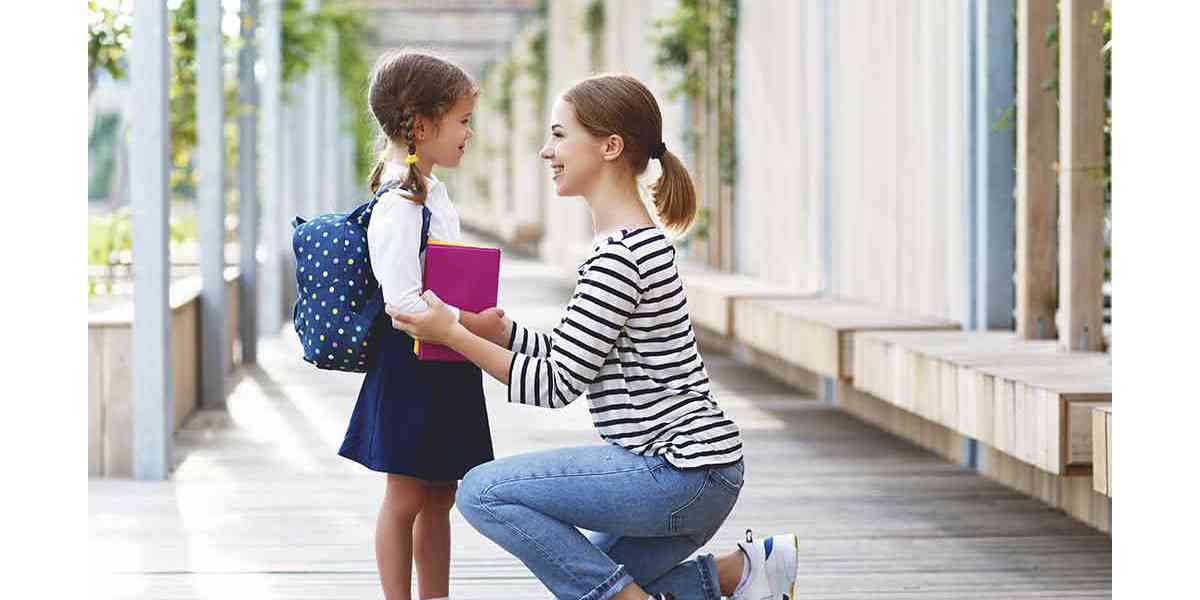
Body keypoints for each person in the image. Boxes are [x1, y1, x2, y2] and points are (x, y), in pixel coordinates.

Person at [389, 73, 799, 600]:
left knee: (482, 492)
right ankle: (745, 572)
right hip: (701, 473)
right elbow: (577, 352)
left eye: (559, 135)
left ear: (610, 146)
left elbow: (556, 385)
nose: (546, 151)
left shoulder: (619, 257)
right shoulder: (630, 244)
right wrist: (503, 332)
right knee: (591, 581)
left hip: (676, 471)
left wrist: (452, 333)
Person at [338, 49, 510, 600]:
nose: (469, 131)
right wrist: (474, 323)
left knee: (441, 496)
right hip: (413, 365)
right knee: (406, 498)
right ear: (421, 124)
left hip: (444, 361)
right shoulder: (399, 203)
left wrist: (467, 321)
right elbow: (404, 304)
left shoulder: (430, 192)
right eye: (461, 119)